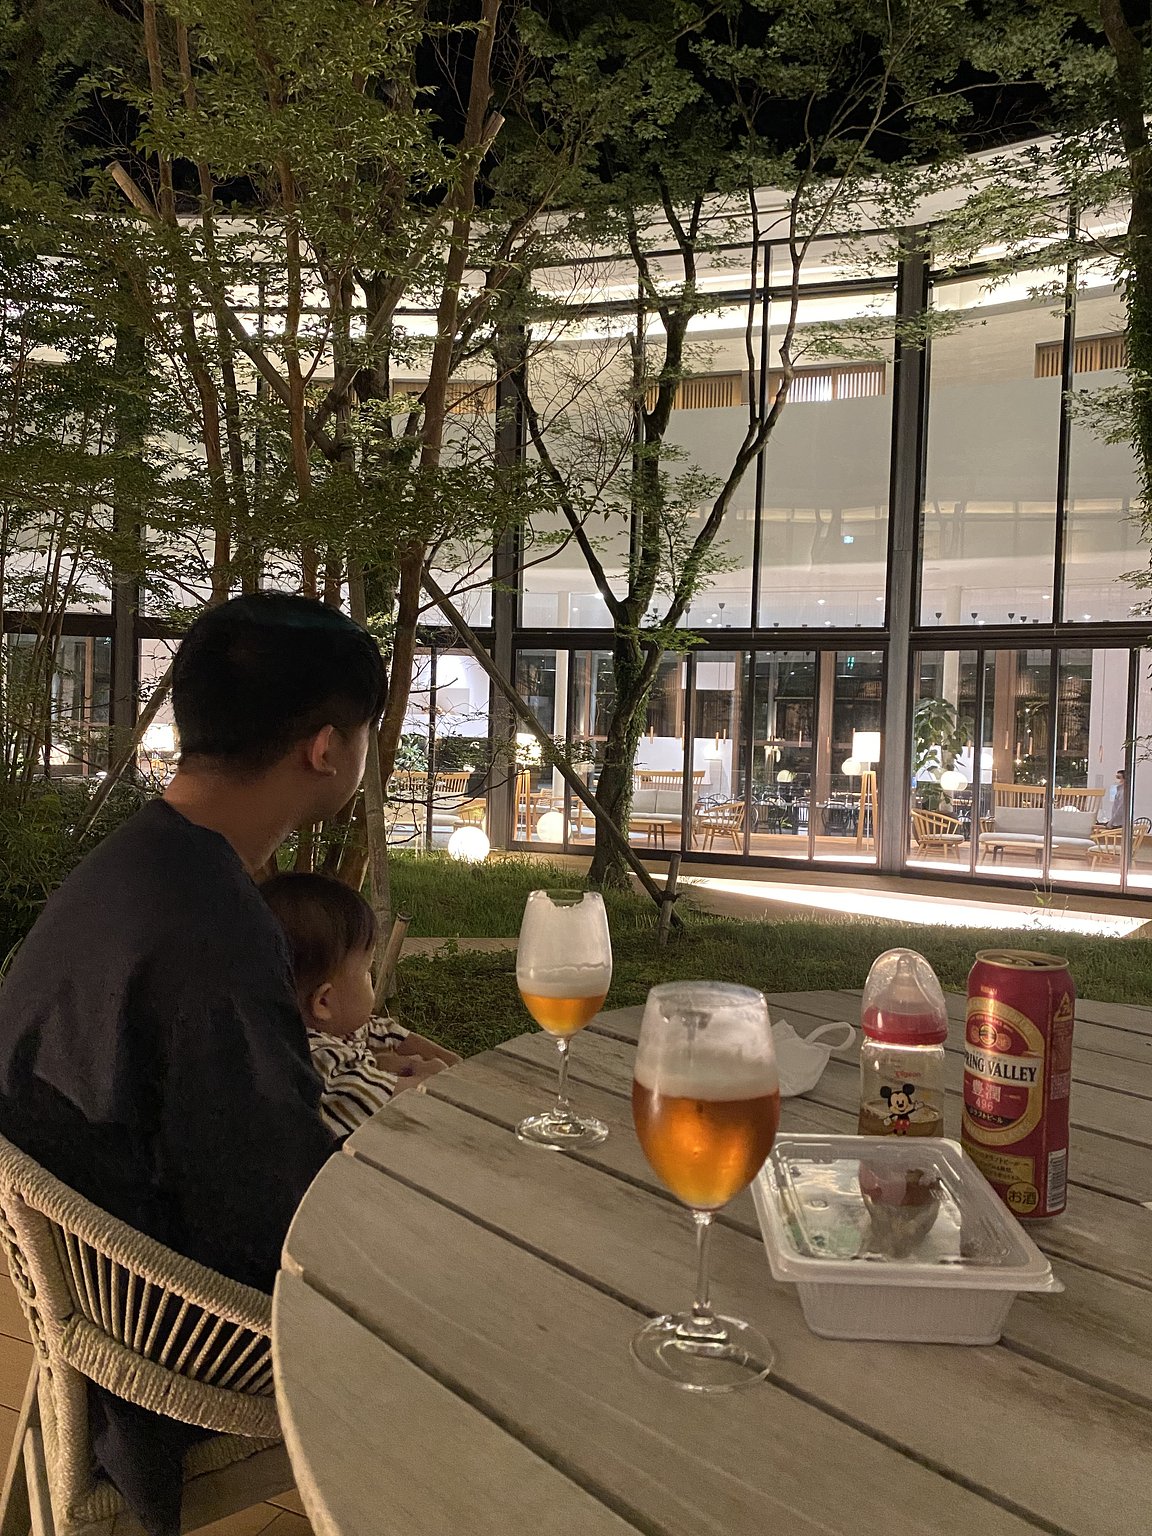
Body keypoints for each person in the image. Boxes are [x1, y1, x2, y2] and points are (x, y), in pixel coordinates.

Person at [0, 592, 387, 1536]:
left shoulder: (139, 862)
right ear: (325, 749)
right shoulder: (213, 928)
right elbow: (281, 1211)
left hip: (101, 1286)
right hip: (190, 1330)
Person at [261, 872, 460, 1134]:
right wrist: (431, 1070)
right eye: (367, 971)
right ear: (324, 1002)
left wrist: (456, 1063)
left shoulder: (333, 1027)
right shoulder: (321, 1061)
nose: (371, 977)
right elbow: (419, 1101)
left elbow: (383, 1031)